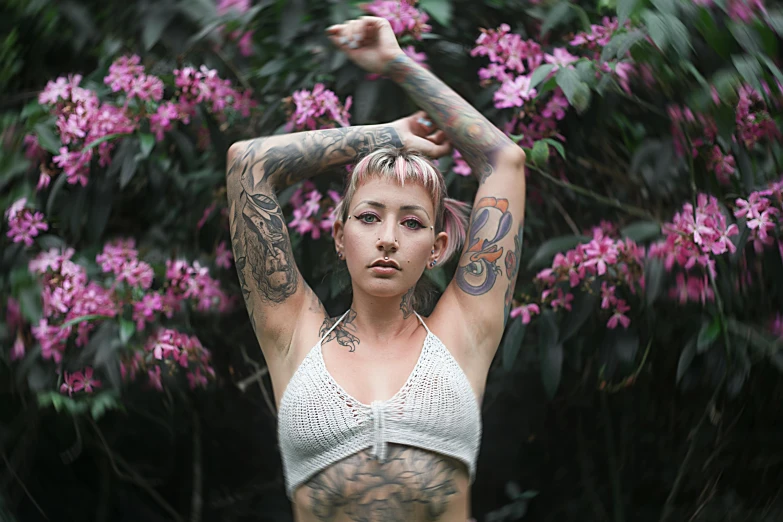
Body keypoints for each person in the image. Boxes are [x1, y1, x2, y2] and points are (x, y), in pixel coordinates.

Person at [225, 15, 526, 522]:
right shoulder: (293, 334)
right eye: (368, 217)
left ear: (438, 245)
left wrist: (396, 64)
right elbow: (247, 164)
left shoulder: (464, 333)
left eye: (412, 223)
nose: (387, 237)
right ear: (340, 237)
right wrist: (388, 135)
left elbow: (505, 159)